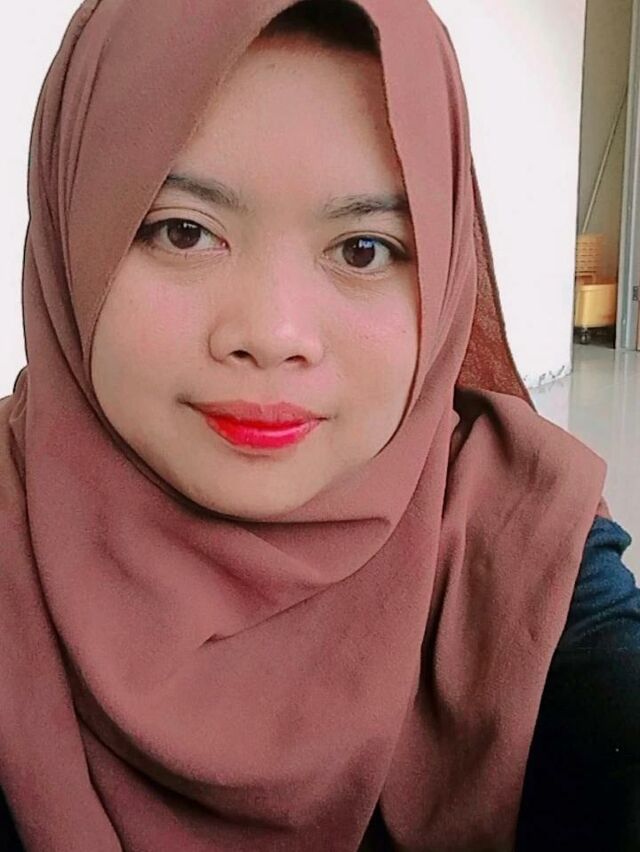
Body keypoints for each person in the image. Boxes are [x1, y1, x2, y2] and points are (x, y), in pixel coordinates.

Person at [0, 0, 638, 849]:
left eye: (363, 249)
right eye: (183, 232)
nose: (273, 333)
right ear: (70, 225)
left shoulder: (518, 547)